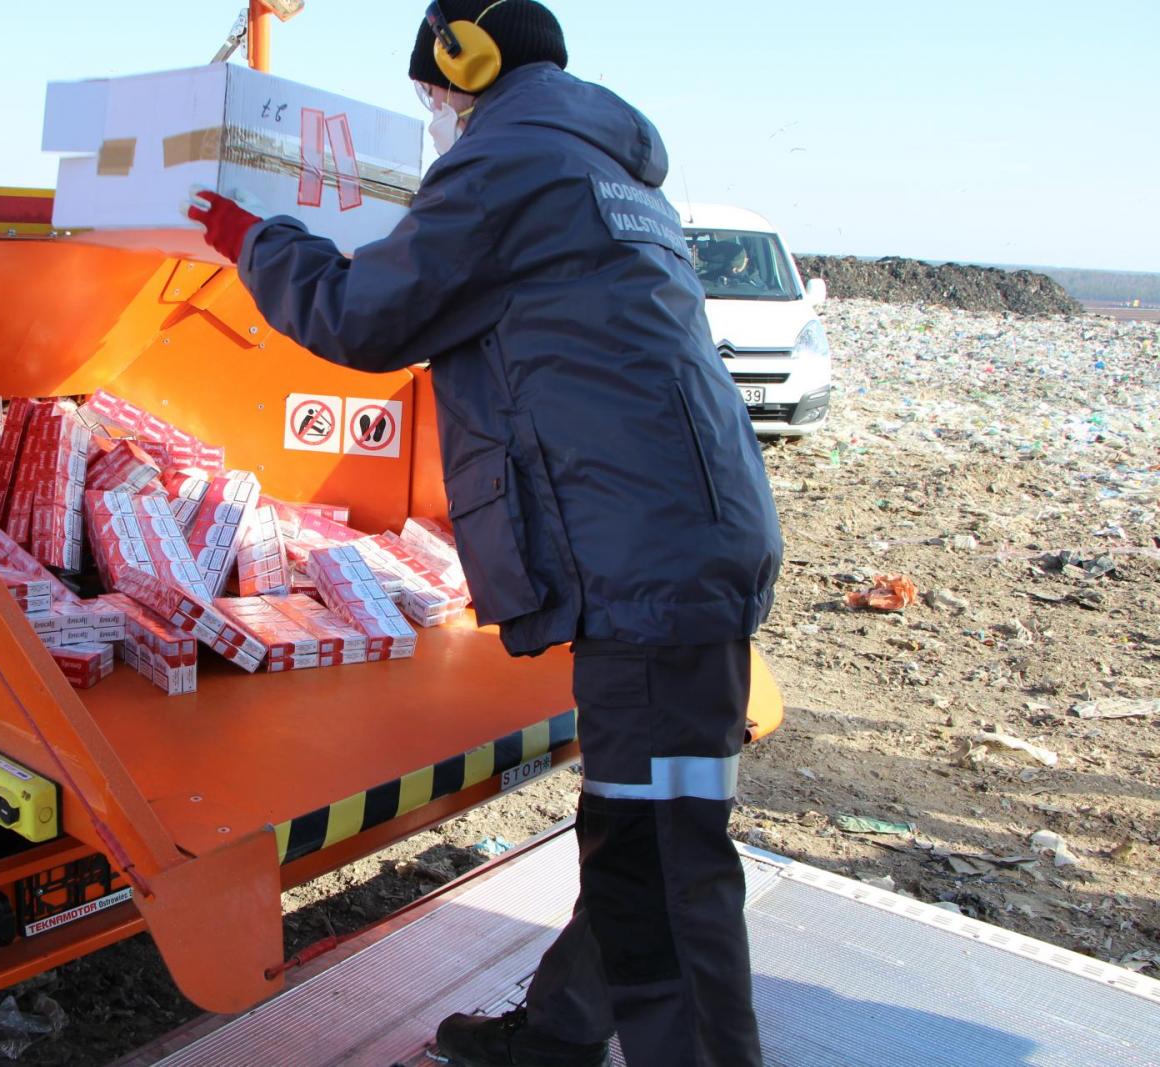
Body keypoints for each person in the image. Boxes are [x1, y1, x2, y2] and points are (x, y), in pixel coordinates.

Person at [186, 2, 780, 1064]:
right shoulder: (609, 167)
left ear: (463, 63)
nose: (431, 114)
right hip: (692, 537)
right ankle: (556, 1033)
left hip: (641, 559)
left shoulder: (505, 160)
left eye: (430, 93)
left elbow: (365, 319)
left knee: (653, 853)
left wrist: (255, 239)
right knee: (656, 820)